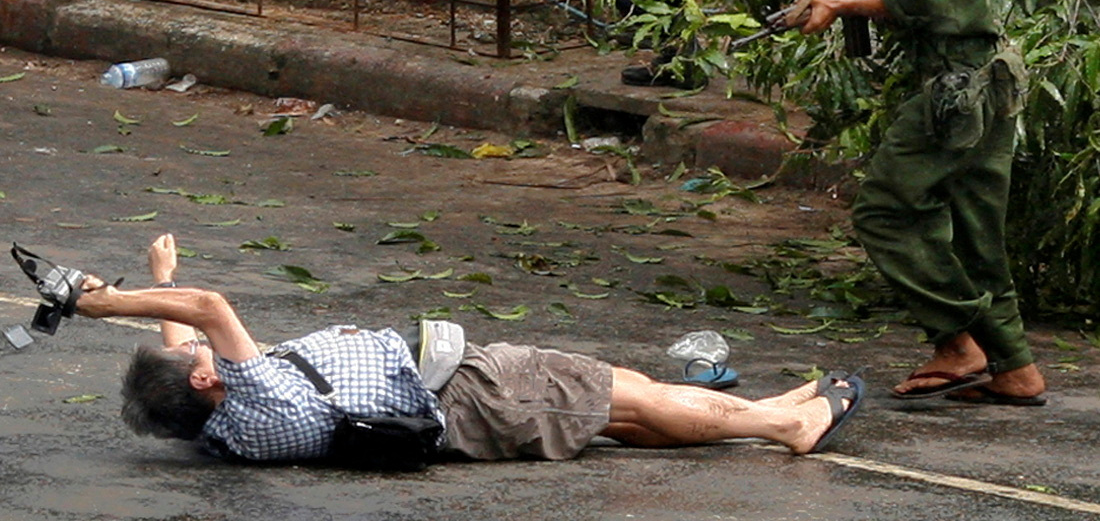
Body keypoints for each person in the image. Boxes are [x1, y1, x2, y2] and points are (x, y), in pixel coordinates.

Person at [70, 233, 864, 465]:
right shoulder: (252, 391)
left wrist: (157, 278)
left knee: (611, 409)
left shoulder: (223, 429)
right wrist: (101, 302)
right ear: (209, 377)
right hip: (473, 390)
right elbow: (209, 312)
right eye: (191, 359)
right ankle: (780, 426)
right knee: (628, 393)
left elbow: (187, 338)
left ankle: (763, 408)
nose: (187, 349)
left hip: (458, 418)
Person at [797, 0, 1045, 405]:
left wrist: (841, 5)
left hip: (957, 85)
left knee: (882, 210)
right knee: (974, 232)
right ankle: (1015, 369)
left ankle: (957, 342)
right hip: (984, 81)